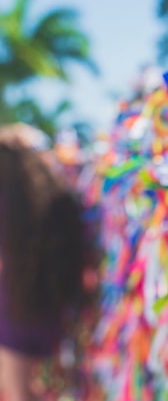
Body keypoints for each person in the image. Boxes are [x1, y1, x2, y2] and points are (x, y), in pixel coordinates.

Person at [0, 123, 94, 400]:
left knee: (17, 391)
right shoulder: (62, 201)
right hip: (52, 311)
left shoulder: (6, 204)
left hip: (12, 307)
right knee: (30, 389)